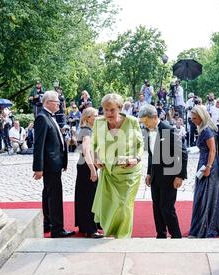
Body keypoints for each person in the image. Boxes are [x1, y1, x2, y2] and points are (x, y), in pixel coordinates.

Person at [91, 94, 143, 239]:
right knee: (110, 205)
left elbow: (140, 144)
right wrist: (95, 158)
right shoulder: (98, 123)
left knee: (125, 205)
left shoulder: (132, 122)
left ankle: (123, 237)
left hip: (129, 172)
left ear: (120, 108)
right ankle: (112, 231)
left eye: (112, 110)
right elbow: (93, 145)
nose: (108, 113)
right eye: (105, 110)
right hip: (108, 172)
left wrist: (136, 159)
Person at [139, 105, 187, 239]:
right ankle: (161, 235)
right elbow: (151, 154)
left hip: (170, 176)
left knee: (167, 208)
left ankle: (176, 236)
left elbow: (182, 153)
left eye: (145, 122)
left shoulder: (169, 130)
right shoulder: (149, 131)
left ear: (154, 117)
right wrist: (149, 172)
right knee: (157, 208)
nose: (144, 125)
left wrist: (180, 175)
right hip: (155, 176)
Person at [33, 91, 75, 238]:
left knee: (48, 194)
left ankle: (48, 224)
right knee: (54, 196)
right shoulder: (42, 118)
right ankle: (57, 229)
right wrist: (38, 168)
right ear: (47, 103)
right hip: (50, 165)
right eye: (56, 101)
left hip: (55, 164)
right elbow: (39, 145)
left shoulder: (49, 117)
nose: (59, 103)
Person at [188, 105, 219, 238]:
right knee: (205, 195)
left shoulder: (207, 131)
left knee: (205, 196)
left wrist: (208, 167)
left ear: (201, 116)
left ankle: (205, 227)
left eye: (194, 118)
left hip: (209, 165)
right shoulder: (205, 129)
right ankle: (206, 225)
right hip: (206, 163)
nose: (192, 120)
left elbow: (213, 150)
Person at [74, 108, 103, 238]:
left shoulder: (88, 130)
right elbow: (86, 151)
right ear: (87, 118)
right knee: (89, 198)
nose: (97, 118)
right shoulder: (87, 131)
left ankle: (87, 225)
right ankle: (91, 229)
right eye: (95, 116)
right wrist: (92, 169)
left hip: (86, 166)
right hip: (86, 167)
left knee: (85, 197)